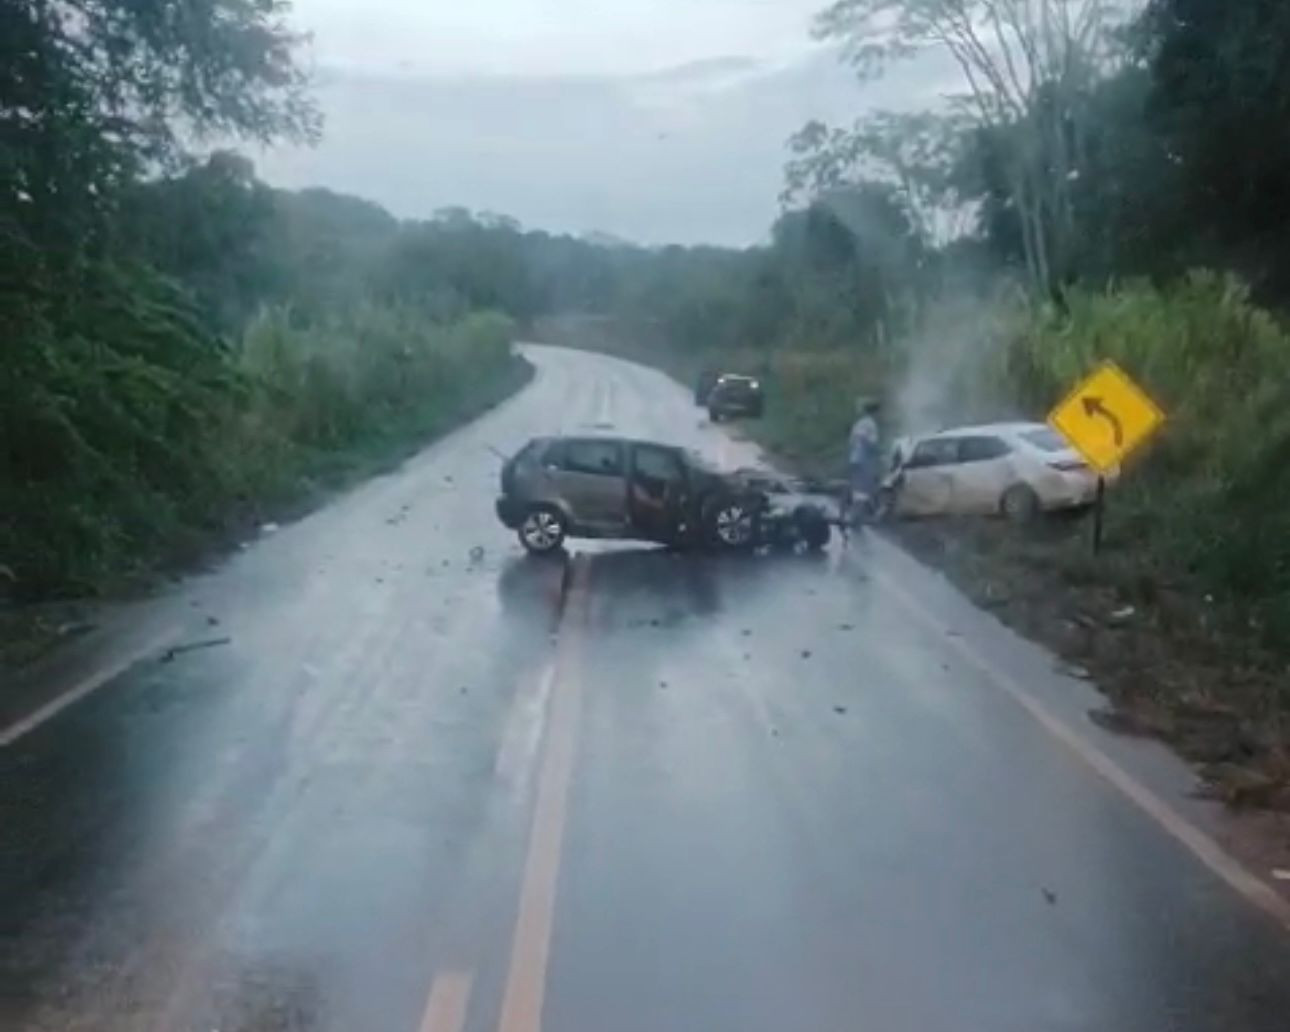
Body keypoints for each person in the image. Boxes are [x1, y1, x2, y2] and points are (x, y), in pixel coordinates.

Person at [847, 397, 882, 524]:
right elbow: (871, 443)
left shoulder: (859, 423)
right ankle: (856, 517)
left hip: (854, 458)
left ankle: (856, 514)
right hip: (864, 461)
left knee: (857, 488)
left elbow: (851, 441)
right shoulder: (871, 424)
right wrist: (878, 452)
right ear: (875, 412)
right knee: (863, 489)